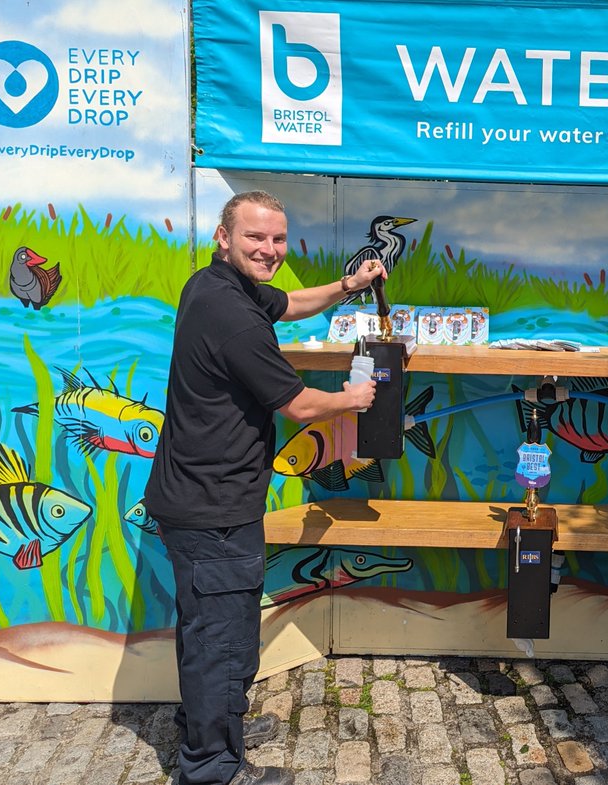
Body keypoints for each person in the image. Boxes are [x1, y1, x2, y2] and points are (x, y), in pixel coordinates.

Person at [144, 190, 386, 785]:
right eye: (256, 238)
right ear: (224, 237)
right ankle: (211, 768)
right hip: (214, 506)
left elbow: (293, 302)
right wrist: (354, 399)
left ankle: (210, 728)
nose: (270, 250)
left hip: (200, 497)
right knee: (223, 641)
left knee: (209, 630)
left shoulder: (213, 286)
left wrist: (347, 287)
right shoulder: (232, 318)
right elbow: (301, 405)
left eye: (278, 239)